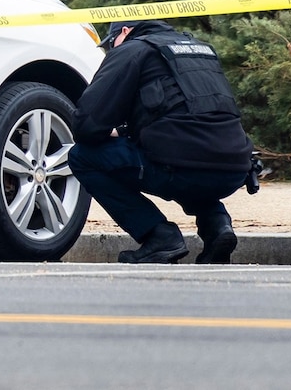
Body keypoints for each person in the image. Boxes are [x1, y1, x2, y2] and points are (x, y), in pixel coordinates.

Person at [70, 20, 255, 264]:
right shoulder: (199, 48)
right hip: (234, 170)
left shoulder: (132, 50)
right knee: (189, 154)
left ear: (124, 32)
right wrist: (126, 131)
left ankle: (159, 236)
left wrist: (106, 132)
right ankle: (217, 226)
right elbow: (189, 115)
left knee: (82, 156)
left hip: (179, 168)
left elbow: (86, 123)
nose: (110, 50)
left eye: (110, 44)